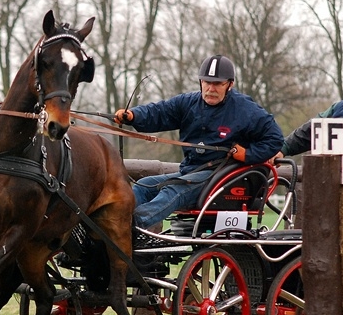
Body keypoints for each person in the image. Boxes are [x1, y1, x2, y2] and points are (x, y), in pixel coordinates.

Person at [114, 54, 284, 231]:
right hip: (190, 171)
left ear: (230, 85)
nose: (211, 88)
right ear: (200, 82)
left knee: (172, 191)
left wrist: (247, 155)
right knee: (145, 186)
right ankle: (115, 219)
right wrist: (133, 116)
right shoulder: (188, 103)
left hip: (220, 177)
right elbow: (159, 112)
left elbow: (275, 139)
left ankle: (125, 227)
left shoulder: (246, 109)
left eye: (218, 84)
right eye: (206, 82)